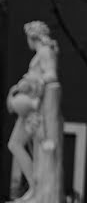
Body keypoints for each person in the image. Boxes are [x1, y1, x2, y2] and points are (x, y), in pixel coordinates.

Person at [7, 20, 60, 202]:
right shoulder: (40, 53)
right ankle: (34, 187)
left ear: (33, 36)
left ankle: (36, 188)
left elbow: (52, 75)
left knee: (16, 144)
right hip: (31, 107)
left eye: (27, 37)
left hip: (36, 107)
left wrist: (32, 83)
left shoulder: (45, 52)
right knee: (15, 144)